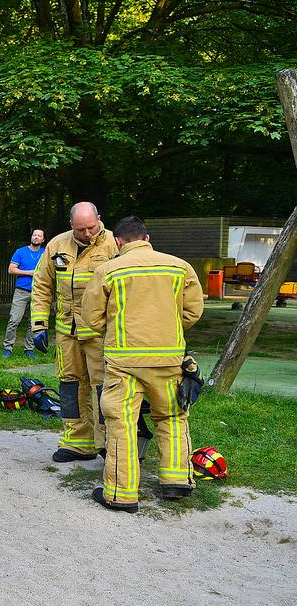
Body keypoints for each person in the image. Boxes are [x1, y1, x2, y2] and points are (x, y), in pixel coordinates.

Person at [81, 217, 204, 512]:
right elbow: (193, 312)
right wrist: (166, 329)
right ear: (146, 238)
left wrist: (115, 331)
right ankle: (177, 480)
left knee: (121, 424)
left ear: (119, 242)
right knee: (172, 417)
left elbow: (92, 316)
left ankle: (121, 494)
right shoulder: (179, 267)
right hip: (168, 360)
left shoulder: (108, 270)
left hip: (124, 362)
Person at [30, 202, 119, 463]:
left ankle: (108, 443)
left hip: (101, 332)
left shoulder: (114, 244)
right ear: (71, 225)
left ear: (99, 218)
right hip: (67, 331)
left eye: (91, 227)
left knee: (104, 387)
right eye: (81, 229)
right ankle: (77, 442)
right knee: (70, 385)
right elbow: (42, 285)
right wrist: (39, 325)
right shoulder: (57, 245)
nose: (87, 233)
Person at [3, 229, 46, 358]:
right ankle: (7, 348)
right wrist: (30, 273)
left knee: (33, 323)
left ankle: (29, 349)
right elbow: (11, 270)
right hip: (21, 292)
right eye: (34, 235)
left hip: (38, 292)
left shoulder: (45, 253)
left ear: (43, 239)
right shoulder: (20, 252)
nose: (36, 237)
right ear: (31, 237)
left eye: (39, 236)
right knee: (14, 320)